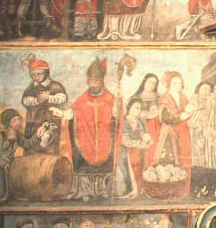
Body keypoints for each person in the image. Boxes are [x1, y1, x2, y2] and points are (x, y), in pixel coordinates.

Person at [67, 58, 119, 200]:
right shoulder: (82, 99)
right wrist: (69, 114)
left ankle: (103, 190)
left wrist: (117, 110)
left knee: (106, 163)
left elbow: (118, 118)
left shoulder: (111, 98)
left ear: (102, 82)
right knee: (83, 162)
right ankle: (85, 191)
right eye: (90, 81)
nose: (93, 85)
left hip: (105, 139)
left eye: (96, 81)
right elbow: (74, 112)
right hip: (86, 140)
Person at [0, 109, 37, 202]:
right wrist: (3, 163)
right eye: (17, 119)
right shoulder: (0, 135)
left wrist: (37, 136)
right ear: (10, 122)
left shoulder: (18, 135)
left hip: (10, 167)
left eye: (20, 119)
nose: (20, 121)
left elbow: (27, 143)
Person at [20, 57, 67, 155]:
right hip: (33, 122)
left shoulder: (55, 85)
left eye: (39, 74)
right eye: (33, 75)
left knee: (49, 146)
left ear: (46, 73)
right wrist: (37, 100)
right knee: (31, 147)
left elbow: (63, 98)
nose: (36, 77)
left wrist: (49, 98)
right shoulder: (31, 88)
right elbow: (25, 100)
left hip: (51, 121)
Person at [155, 72, 195, 177]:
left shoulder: (183, 97)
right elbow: (165, 117)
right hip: (169, 130)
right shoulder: (164, 98)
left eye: (179, 83)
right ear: (169, 84)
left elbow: (187, 111)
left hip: (183, 130)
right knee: (171, 157)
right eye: (175, 83)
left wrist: (189, 112)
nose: (178, 85)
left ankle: (184, 181)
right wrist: (180, 117)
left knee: (185, 154)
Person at [113, 97, 152, 198]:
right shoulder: (124, 121)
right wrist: (141, 144)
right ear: (129, 108)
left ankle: (140, 189)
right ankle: (129, 190)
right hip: (125, 152)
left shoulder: (139, 122)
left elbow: (143, 134)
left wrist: (147, 139)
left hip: (136, 150)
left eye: (139, 109)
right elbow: (125, 141)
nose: (137, 111)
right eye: (135, 108)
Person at [130, 73, 162, 164]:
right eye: (149, 82)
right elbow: (131, 111)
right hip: (142, 127)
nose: (151, 85)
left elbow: (161, 111)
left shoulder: (158, 97)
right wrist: (146, 114)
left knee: (156, 151)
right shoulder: (136, 97)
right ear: (144, 82)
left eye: (154, 83)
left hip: (156, 128)